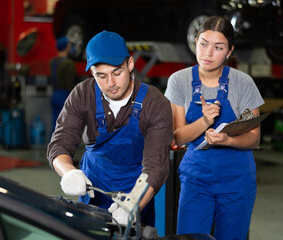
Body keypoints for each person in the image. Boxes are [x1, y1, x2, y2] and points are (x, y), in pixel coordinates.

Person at [47, 30, 173, 227]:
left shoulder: (155, 103)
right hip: (93, 189)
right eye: (102, 76)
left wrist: (133, 205)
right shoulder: (82, 94)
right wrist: (69, 172)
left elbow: (156, 165)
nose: (111, 83)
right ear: (92, 73)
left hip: (137, 191)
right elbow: (60, 143)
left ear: (130, 64)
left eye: (117, 73)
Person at [164, 16, 264, 239]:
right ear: (195, 41)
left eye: (218, 47)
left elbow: (254, 138)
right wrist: (204, 122)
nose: (208, 53)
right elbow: (178, 137)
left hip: (237, 180)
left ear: (229, 51)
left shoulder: (243, 83)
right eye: (203, 44)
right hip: (196, 179)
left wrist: (229, 140)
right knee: (190, 236)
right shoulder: (178, 81)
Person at [50, 36, 77, 134]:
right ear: (66, 47)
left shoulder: (52, 62)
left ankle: (53, 147)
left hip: (54, 94)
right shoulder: (69, 63)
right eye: (69, 46)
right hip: (65, 96)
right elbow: (70, 83)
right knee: (66, 126)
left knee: (55, 124)